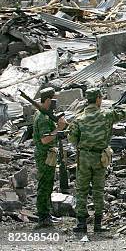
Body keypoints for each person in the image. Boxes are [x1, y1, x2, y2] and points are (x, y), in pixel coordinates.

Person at [68, 88, 126, 233]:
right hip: (100, 157)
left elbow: (72, 139)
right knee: (98, 190)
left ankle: (81, 224)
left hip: (83, 158)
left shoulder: (78, 119)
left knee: (81, 190)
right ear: (98, 99)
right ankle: (98, 224)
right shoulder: (106, 115)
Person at [32, 87, 67, 228]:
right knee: (44, 186)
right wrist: (59, 128)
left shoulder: (45, 114)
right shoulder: (42, 117)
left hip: (49, 155)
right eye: (53, 99)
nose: (55, 102)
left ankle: (46, 213)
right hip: (44, 155)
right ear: (47, 100)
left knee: (48, 185)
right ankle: (43, 216)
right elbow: (45, 139)